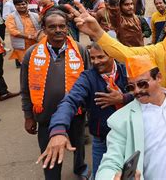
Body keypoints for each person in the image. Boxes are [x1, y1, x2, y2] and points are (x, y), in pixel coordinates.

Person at [36, 43, 132, 178]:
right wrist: (58, 130)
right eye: (92, 58)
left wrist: (123, 98)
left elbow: (146, 93)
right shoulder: (87, 77)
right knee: (100, 175)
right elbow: (70, 101)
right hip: (102, 140)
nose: (96, 62)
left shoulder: (128, 71)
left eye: (101, 57)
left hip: (129, 136)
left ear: (113, 55)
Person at [20, 10, 91, 180]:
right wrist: (28, 116)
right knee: (49, 153)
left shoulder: (80, 50)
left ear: (67, 28)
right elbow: (25, 88)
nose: (58, 30)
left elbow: (89, 81)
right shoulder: (31, 54)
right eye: (52, 27)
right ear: (44, 29)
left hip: (76, 113)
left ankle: (79, 167)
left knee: (78, 145)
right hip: (45, 115)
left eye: (62, 26)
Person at [5, 0, 40, 64]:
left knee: (37, 64)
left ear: (27, 4)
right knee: (25, 65)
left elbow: (41, 28)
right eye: (18, 5)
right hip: (22, 47)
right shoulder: (11, 17)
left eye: (23, 4)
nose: (21, 6)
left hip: (36, 44)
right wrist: (29, 37)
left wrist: (37, 36)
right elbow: (13, 31)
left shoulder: (35, 15)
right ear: (15, 6)